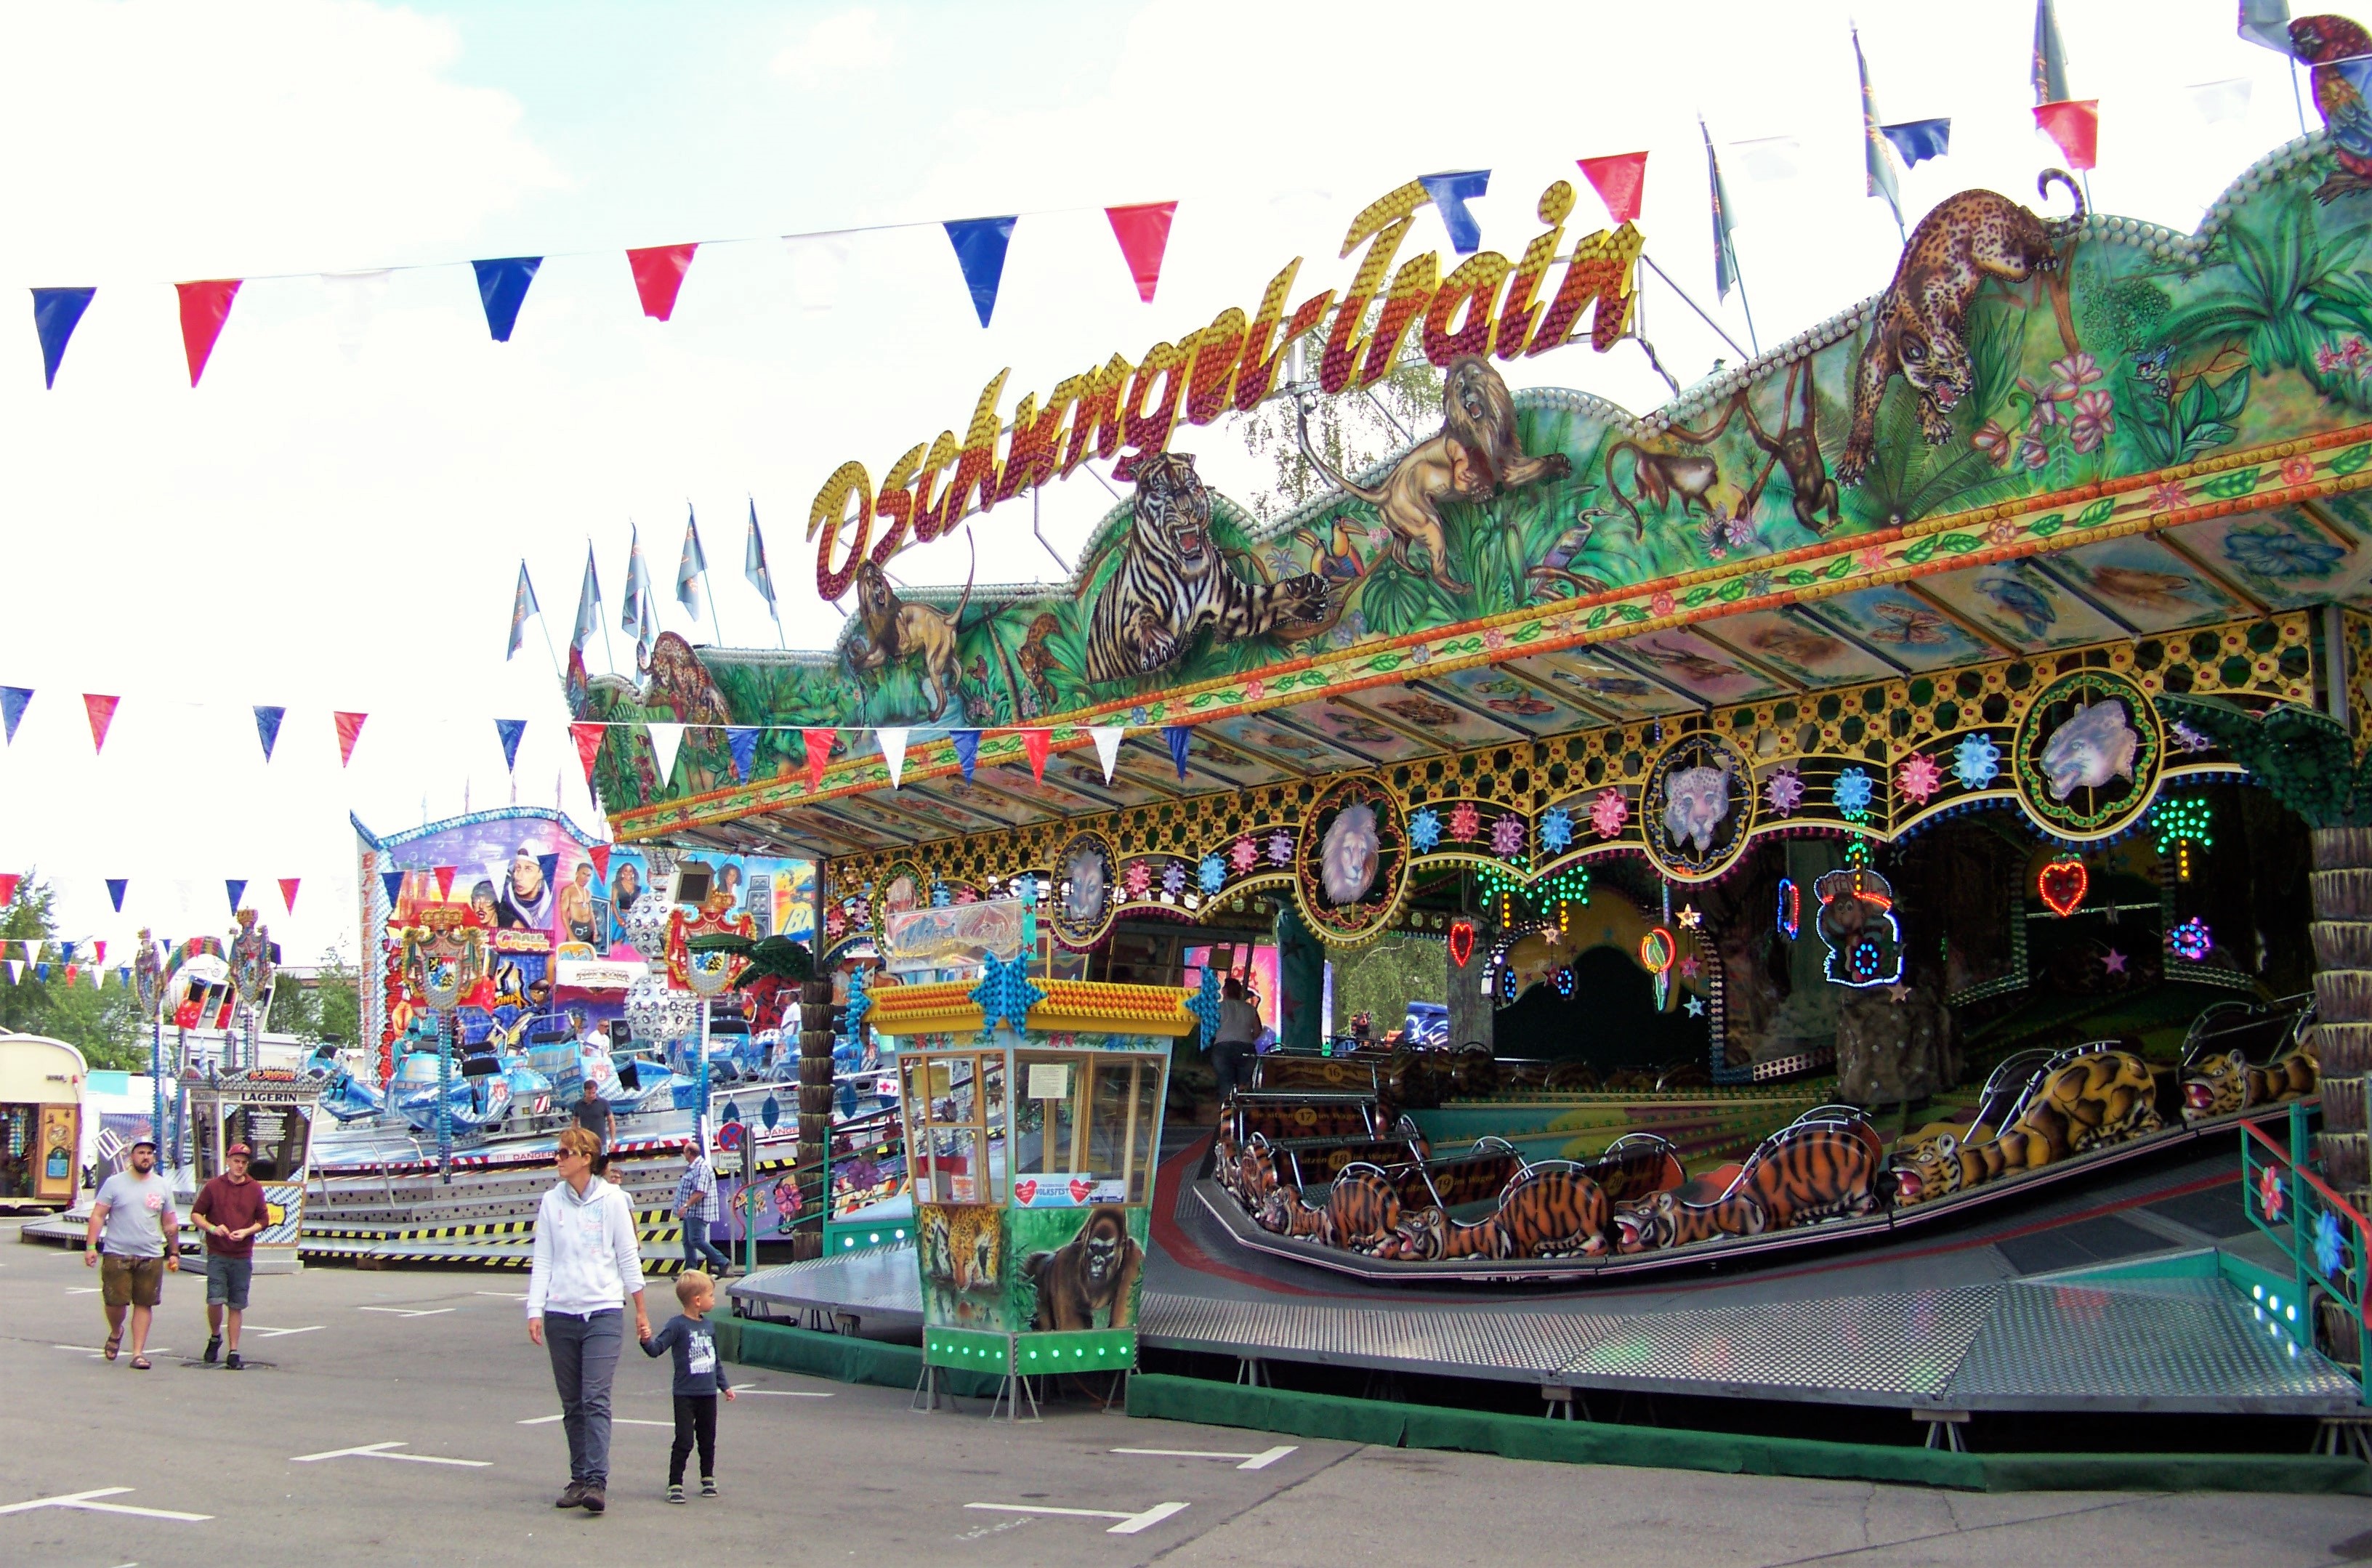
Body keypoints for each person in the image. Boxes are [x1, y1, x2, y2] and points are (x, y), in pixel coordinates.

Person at [526, 1126, 651, 1516]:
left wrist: (641, 1308)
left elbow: (627, 1255)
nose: (558, 1159)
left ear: (586, 1159)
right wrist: (535, 1309)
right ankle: (578, 1477)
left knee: (595, 1397)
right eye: (558, 1152)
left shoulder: (612, 1200)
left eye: (565, 1153)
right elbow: (543, 1258)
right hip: (561, 1312)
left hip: (603, 1310)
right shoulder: (551, 1201)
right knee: (572, 1402)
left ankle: (597, 1481)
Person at [640, 1269, 735, 1503]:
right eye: (711, 1295)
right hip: (685, 1395)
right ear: (697, 1300)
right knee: (684, 1440)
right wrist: (645, 1340)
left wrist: (724, 1386)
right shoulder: (677, 1325)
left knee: (707, 1438)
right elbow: (656, 1349)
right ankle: (675, 1483)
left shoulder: (709, 1326)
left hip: (707, 1394)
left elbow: (715, 1360)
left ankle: (707, 1477)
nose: (714, 1299)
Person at [86, 1135, 179, 1369]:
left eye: (149, 1153)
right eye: (141, 1153)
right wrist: (91, 1246)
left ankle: (138, 1353)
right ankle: (116, 1330)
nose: (146, 1157)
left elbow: (169, 1222)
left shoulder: (162, 1185)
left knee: (144, 1303)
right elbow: (98, 1215)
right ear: (132, 1156)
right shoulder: (114, 1183)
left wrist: (174, 1251)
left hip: (151, 1254)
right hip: (117, 1252)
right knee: (115, 1303)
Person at [192, 1141, 272, 1369]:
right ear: (228, 1161)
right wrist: (212, 1228)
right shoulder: (214, 1186)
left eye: (244, 1163)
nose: (240, 1166)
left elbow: (264, 1220)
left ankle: (234, 1350)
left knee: (236, 1304)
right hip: (218, 1252)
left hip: (242, 1254)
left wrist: (246, 1231)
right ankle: (215, 1335)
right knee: (215, 1299)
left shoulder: (254, 1188)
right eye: (236, 1161)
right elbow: (196, 1214)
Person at [674, 1144, 733, 1277]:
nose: (683, 1155)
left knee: (695, 1239)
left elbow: (701, 1191)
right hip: (691, 1212)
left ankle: (722, 1262)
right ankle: (690, 1272)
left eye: (684, 1152)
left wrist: (686, 1205)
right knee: (687, 1241)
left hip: (698, 1211)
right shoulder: (693, 1167)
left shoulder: (702, 1168)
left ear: (689, 1153)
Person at [1211, 976, 1262, 1112]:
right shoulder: (1250, 1009)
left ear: (1224, 991)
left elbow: (1211, 1029)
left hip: (1222, 1048)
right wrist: (1248, 1038)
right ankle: (1244, 1116)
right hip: (1246, 1047)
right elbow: (1258, 1030)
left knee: (1226, 1084)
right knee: (1244, 1085)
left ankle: (1228, 1116)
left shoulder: (1218, 1007)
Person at [498, 845, 553, 931]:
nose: (519, 877)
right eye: (518, 868)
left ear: (541, 873)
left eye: (528, 869)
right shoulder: (503, 900)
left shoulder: (553, 900)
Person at [574, 1078, 615, 1155]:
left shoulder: (603, 1103)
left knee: (602, 1161)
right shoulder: (578, 1104)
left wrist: (613, 1141)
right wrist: (576, 1138)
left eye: (594, 1093)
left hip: (601, 1142)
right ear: (585, 1091)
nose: (592, 1095)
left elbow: (611, 1121)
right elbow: (575, 1121)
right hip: (585, 1142)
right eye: (589, 1093)